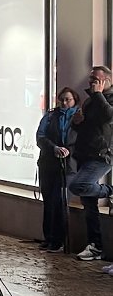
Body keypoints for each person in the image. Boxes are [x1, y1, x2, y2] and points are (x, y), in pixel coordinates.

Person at [68, 66, 113, 261]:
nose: (91, 83)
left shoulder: (105, 99)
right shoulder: (89, 101)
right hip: (84, 154)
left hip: (102, 155)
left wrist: (98, 95)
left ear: (107, 80)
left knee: (79, 185)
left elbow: (109, 116)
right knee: (89, 205)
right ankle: (95, 245)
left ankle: (110, 190)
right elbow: (81, 127)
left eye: (96, 79)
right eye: (90, 79)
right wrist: (77, 122)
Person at [35, 87, 79, 253]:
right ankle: (49, 237)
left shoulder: (78, 118)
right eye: (62, 99)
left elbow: (81, 140)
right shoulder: (51, 115)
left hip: (69, 166)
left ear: (74, 100)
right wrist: (53, 148)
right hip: (48, 163)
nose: (65, 103)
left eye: (68, 99)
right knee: (48, 201)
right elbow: (40, 136)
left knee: (59, 200)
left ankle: (58, 240)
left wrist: (68, 150)